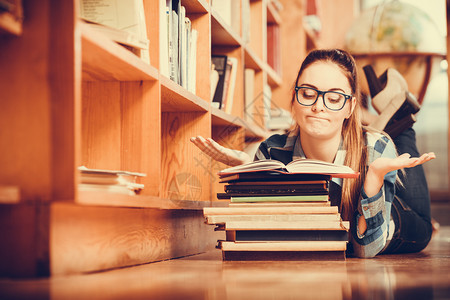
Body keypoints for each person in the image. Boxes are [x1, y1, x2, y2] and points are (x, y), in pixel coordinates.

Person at [191, 49, 435, 258]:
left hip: (393, 222)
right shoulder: (272, 149)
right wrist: (251, 172)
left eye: (334, 98)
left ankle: (402, 117)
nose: (318, 106)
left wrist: (374, 178)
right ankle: (383, 115)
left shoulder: (376, 148)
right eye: (308, 94)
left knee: (424, 225)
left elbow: (367, 250)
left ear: (350, 106)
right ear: (295, 100)